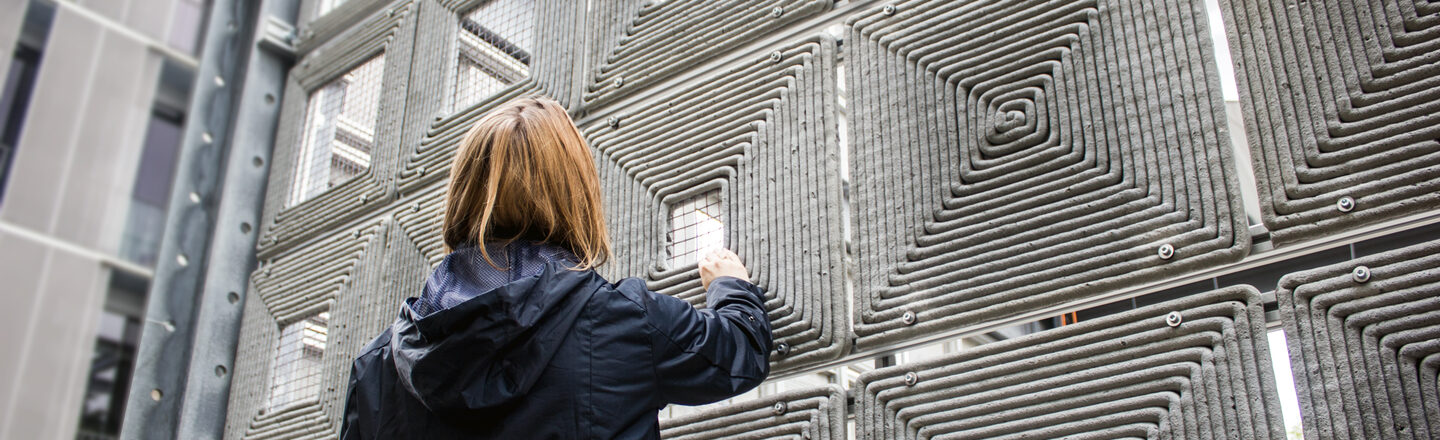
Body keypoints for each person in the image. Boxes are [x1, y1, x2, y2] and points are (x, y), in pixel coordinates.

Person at [340, 97, 772, 439]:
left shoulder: (378, 366)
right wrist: (731, 286)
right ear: (576, 194)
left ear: (462, 194)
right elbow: (739, 353)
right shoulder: (624, 320)